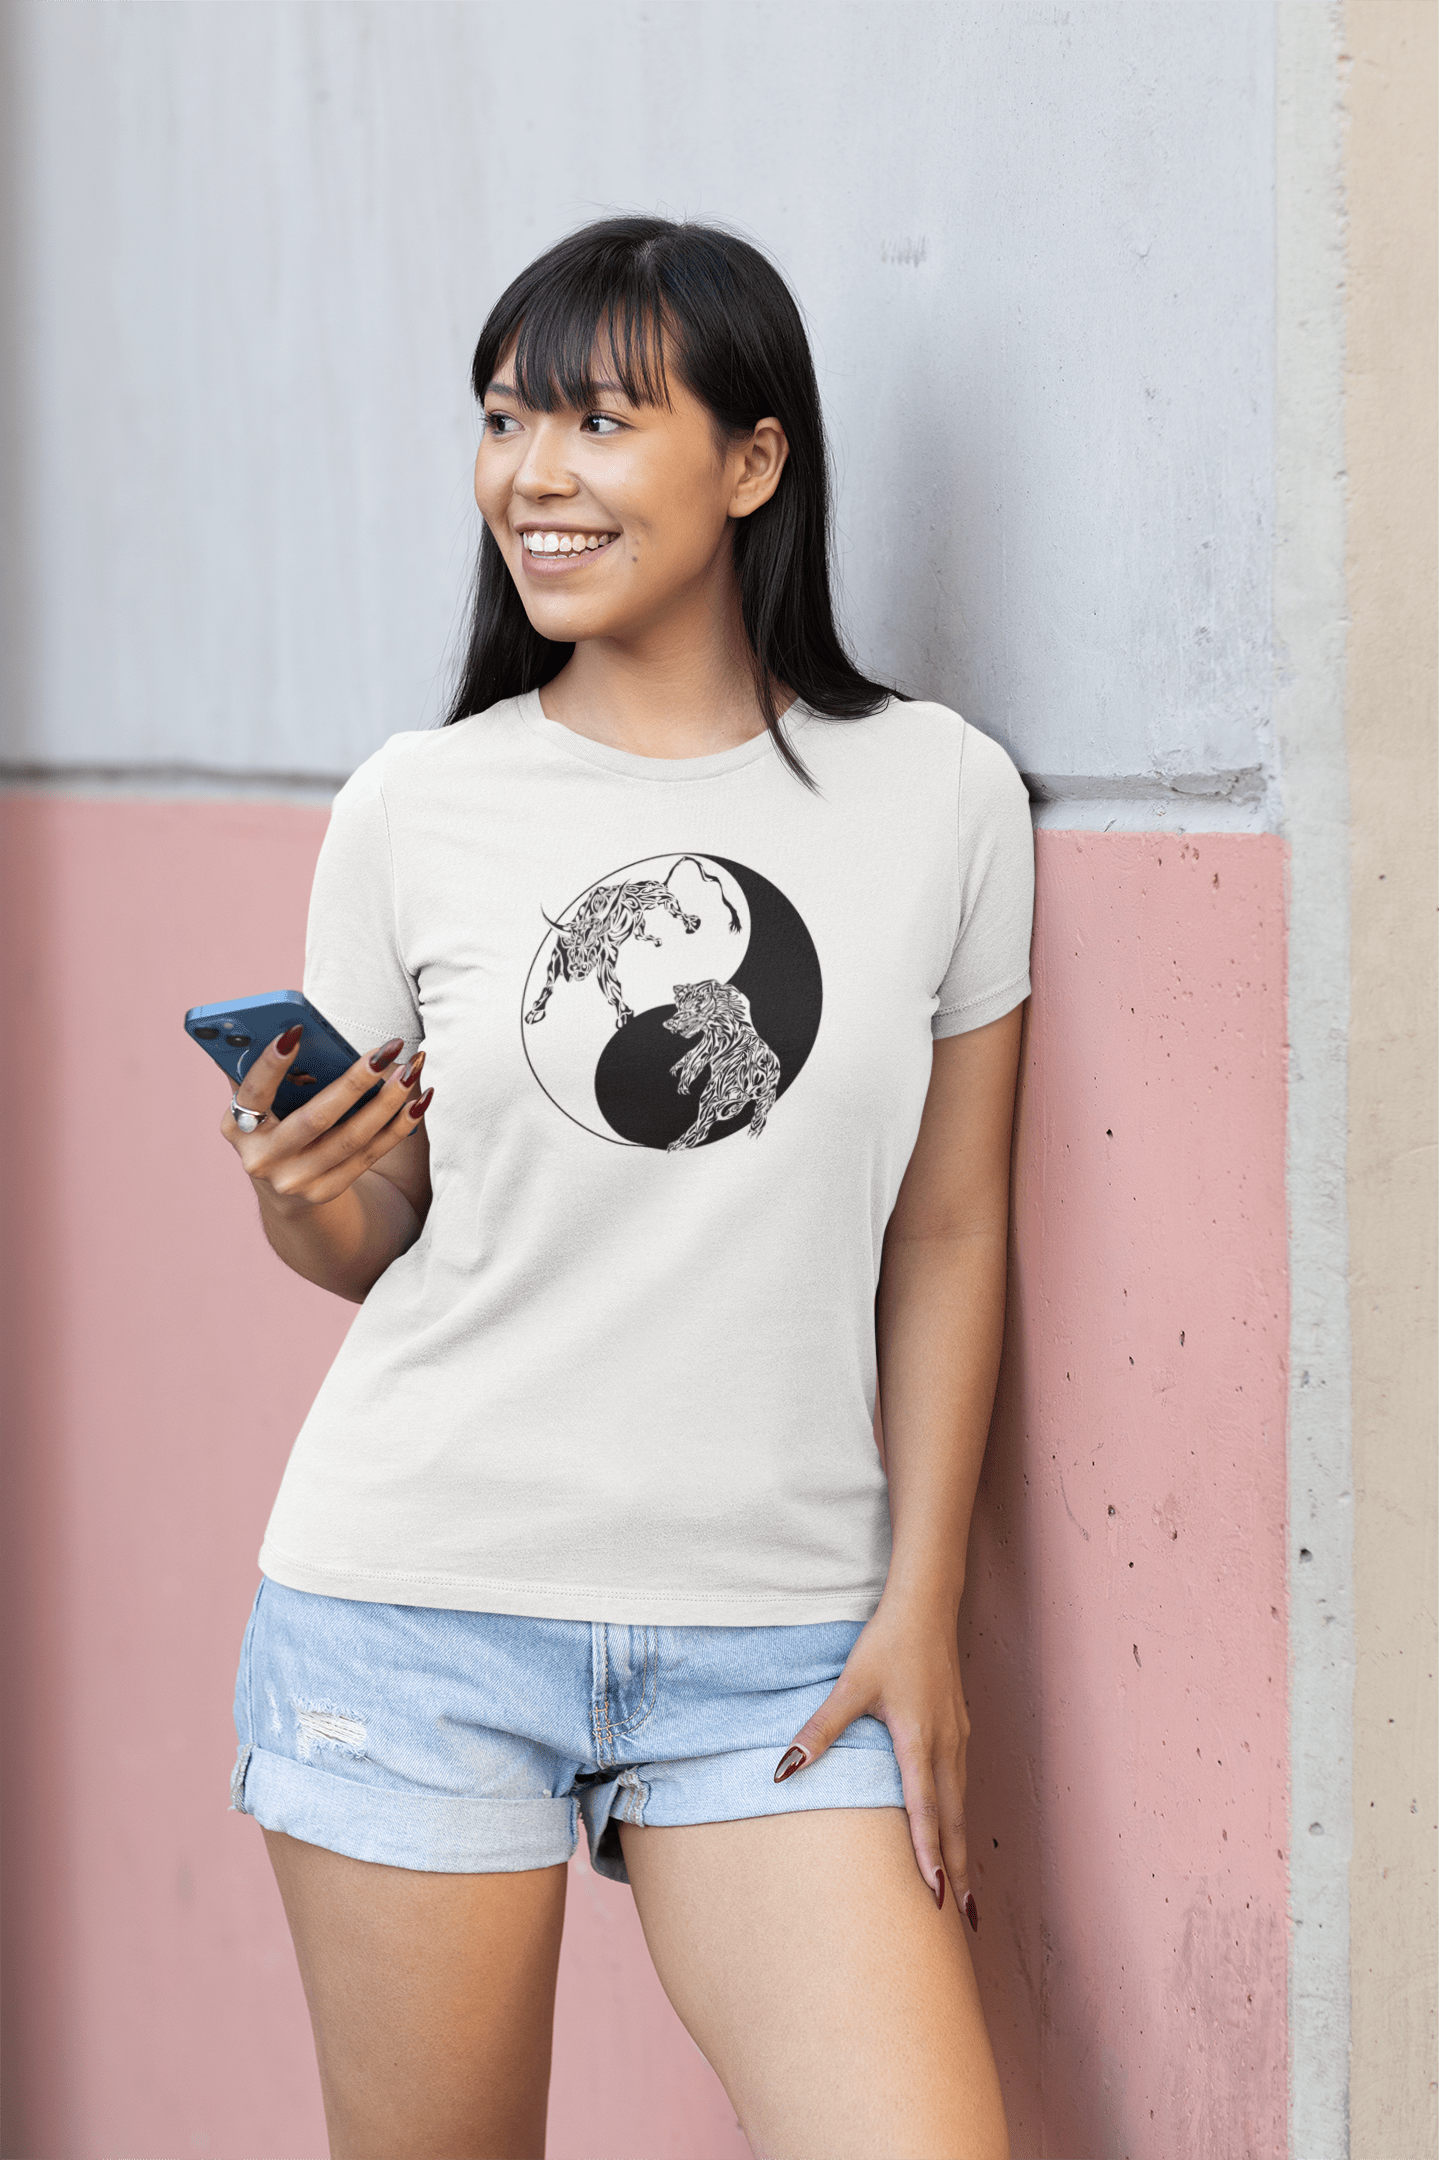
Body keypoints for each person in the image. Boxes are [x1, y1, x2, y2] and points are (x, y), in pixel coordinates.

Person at [221, 215, 1033, 2160]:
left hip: (780, 1645)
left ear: (754, 460)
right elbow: (368, 1245)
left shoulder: (937, 795)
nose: (534, 473)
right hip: (418, 1610)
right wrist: (293, 1188)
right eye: (507, 418)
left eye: (600, 418)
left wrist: (919, 1605)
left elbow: (946, 1227)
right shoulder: (416, 803)